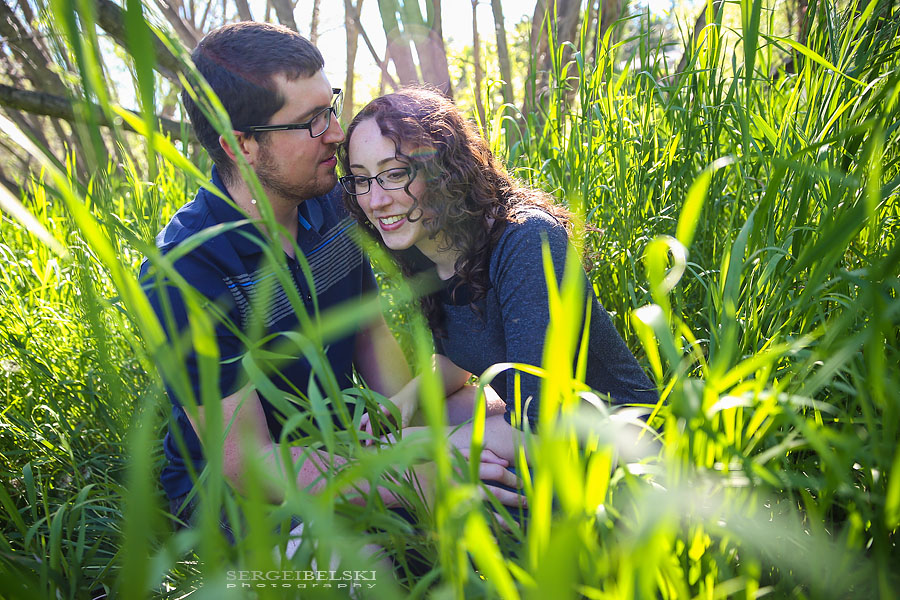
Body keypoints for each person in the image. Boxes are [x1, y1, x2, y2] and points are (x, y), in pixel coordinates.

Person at [139, 23, 521, 539]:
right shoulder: (186, 271)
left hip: (341, 434)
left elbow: (368, 330)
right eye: (312, 121)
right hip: (244, 489)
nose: (337, 133)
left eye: (331, 107)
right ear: (241, 146)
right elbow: (247, 462)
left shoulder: (334, 203)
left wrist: (404, 426)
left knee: (507, 418)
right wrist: (415, 474)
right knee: (364, 568)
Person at [338, 88, 658, 465]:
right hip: (536, 432)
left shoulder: (526, 240)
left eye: (395, 174)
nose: (375, 200)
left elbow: (539, 429)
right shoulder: (425, 245)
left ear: (443, 171)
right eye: (361, 180)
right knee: (419, 421)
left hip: (618, 448)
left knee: (415, 467)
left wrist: (416, 444)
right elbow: (461, 354)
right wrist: (401, 405)